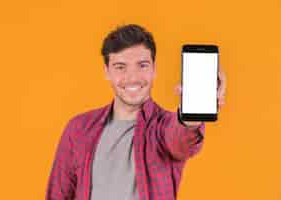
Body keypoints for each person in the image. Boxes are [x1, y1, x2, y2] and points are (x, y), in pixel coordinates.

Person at [46, 24, 226, 200]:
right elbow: (58, 194)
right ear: (107, 71)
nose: (132, 77)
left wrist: (192, 114)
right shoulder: (79, 129)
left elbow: (181, 140)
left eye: (142, 65)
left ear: (154, 69)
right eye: (120, 67)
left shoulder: (163, 128)